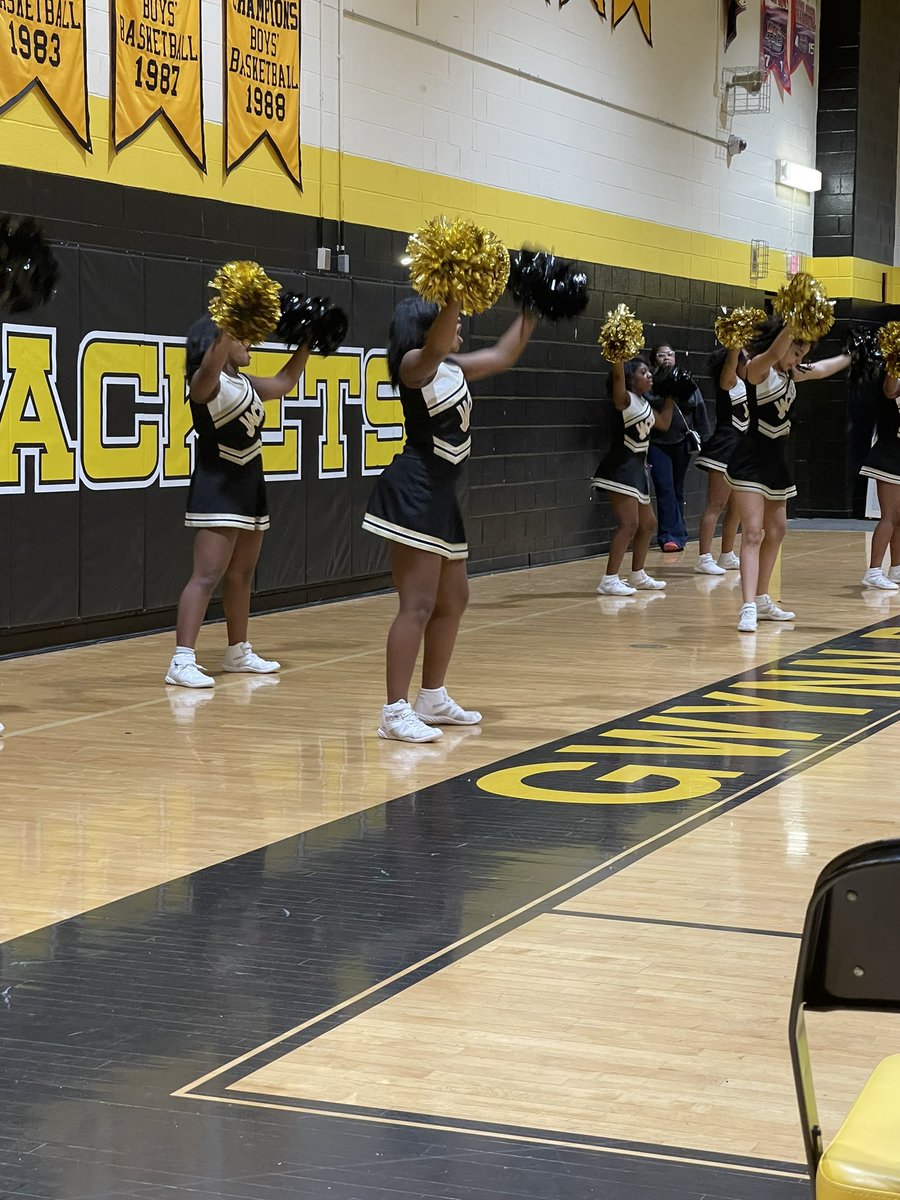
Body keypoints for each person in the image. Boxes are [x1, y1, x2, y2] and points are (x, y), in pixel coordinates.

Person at [363, 296, 536, 743]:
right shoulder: (413, 366)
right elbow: (436, 348)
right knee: (416, 605)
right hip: (414, 491)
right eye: (452, 318)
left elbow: (503, 354)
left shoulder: (454, 366)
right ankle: (394, 711)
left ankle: (432, 697)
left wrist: (533, 309)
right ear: (426, 327)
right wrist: (454, 292)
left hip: (442, 498)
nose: (461, 322)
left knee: (454, 599)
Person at [165, 316, 311, 687]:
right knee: (206, 575)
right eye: (240, 337)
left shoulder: (243, 383)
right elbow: (211, 363)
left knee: (241, 574)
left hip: (250, 486)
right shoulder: (204, 384)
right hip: (219, 487)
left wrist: (307, 342)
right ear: (218, 341)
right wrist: (230, 318)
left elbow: (283, 383)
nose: (251, 342)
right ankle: (181, 660)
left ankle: (237, 651)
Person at [726, 318, 850, 632]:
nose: (798, 359)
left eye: (802, 354)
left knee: (777, 530)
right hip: (750, 461)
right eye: (795, 351)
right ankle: (748, 606)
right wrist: (794, 322)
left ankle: (763, 597)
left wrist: (852, 355)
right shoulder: (759, 368)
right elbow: (774, 352)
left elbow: (821, 369)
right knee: (753, 532)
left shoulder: (791, 373)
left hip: (775, 464)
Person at [592, 355, 673, 595]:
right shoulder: (625, 400)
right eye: (642, 373)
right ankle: (609, 580)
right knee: (629, 524)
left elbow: (665, 423)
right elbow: (618, 376)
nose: (649, 376)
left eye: (649, 372)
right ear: (630, 379)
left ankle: (637, 574)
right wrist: (617, 357)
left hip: (637, 469)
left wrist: (671, 392)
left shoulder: (643, 402)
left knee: (648, 525)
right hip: (621, 468)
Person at [647, 344, 712, 551]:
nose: (666, 358)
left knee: (677, 488)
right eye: (661, 355)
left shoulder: (686, 381)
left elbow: (699, 410)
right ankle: (668, 536)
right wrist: (668, 393)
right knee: (664, 487)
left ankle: (679, 535)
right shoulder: (650, 381)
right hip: (657, 443)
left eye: (670, 354)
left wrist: (707, 443)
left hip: (682, 441)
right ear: (654, 359)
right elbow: (649, 403)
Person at [694, 345, 748, 575]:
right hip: (724, 448)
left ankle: (726, 554)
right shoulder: (730, 382)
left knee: (736, 508)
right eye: (745, 360)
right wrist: (735, 343)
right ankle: (704, 557)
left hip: (740, 452)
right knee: (716, 504)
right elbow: (730, 364)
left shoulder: (748, 384)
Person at [859, 369, 900, 590]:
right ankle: (873, 571)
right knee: (890, 516)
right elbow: (890, 390)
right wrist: (895, 358)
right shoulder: (892, 374)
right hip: (888, 455)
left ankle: (896, 569)